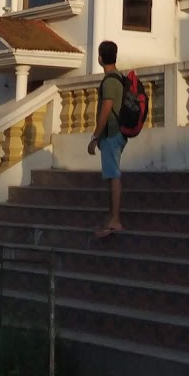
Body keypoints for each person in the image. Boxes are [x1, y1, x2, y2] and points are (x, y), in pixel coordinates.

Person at [87, 39, 125, 236]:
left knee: (113, 176)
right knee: (111, 175)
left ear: (100, 58)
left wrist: (95, 136)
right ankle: (111, 217)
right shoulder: (119, 77)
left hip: (111, 133)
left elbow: (106, 109)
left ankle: (115, 220)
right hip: (116, 133)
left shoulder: (110, 81)